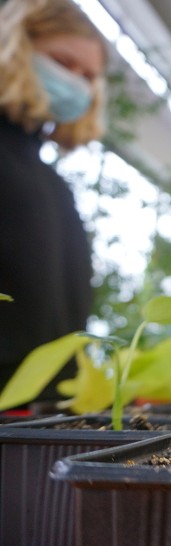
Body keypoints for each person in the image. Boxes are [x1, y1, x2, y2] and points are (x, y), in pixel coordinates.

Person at [0, 0, 108, 398]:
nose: (76, 82)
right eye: (63, 62)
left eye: (89, 76)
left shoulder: (47, 176)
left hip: (41, 411)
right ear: (14, 44)